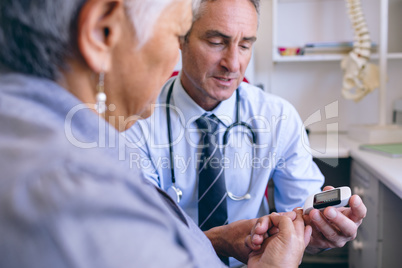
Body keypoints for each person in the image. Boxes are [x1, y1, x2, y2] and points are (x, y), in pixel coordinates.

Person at [0, 0, 310, 267]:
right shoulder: (78, 186)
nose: (232, 64)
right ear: (101, 33)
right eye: (176, 33)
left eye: (245, 45)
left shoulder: (32, 133)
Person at [124, 0, 367, 266]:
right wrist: (217, 240)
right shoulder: (136, 118)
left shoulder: (278, 117)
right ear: (181, 39)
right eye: (217, 42)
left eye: (245, 45)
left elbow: (303, 214)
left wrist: (319, 233)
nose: (234, 64)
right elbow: (135, 237)